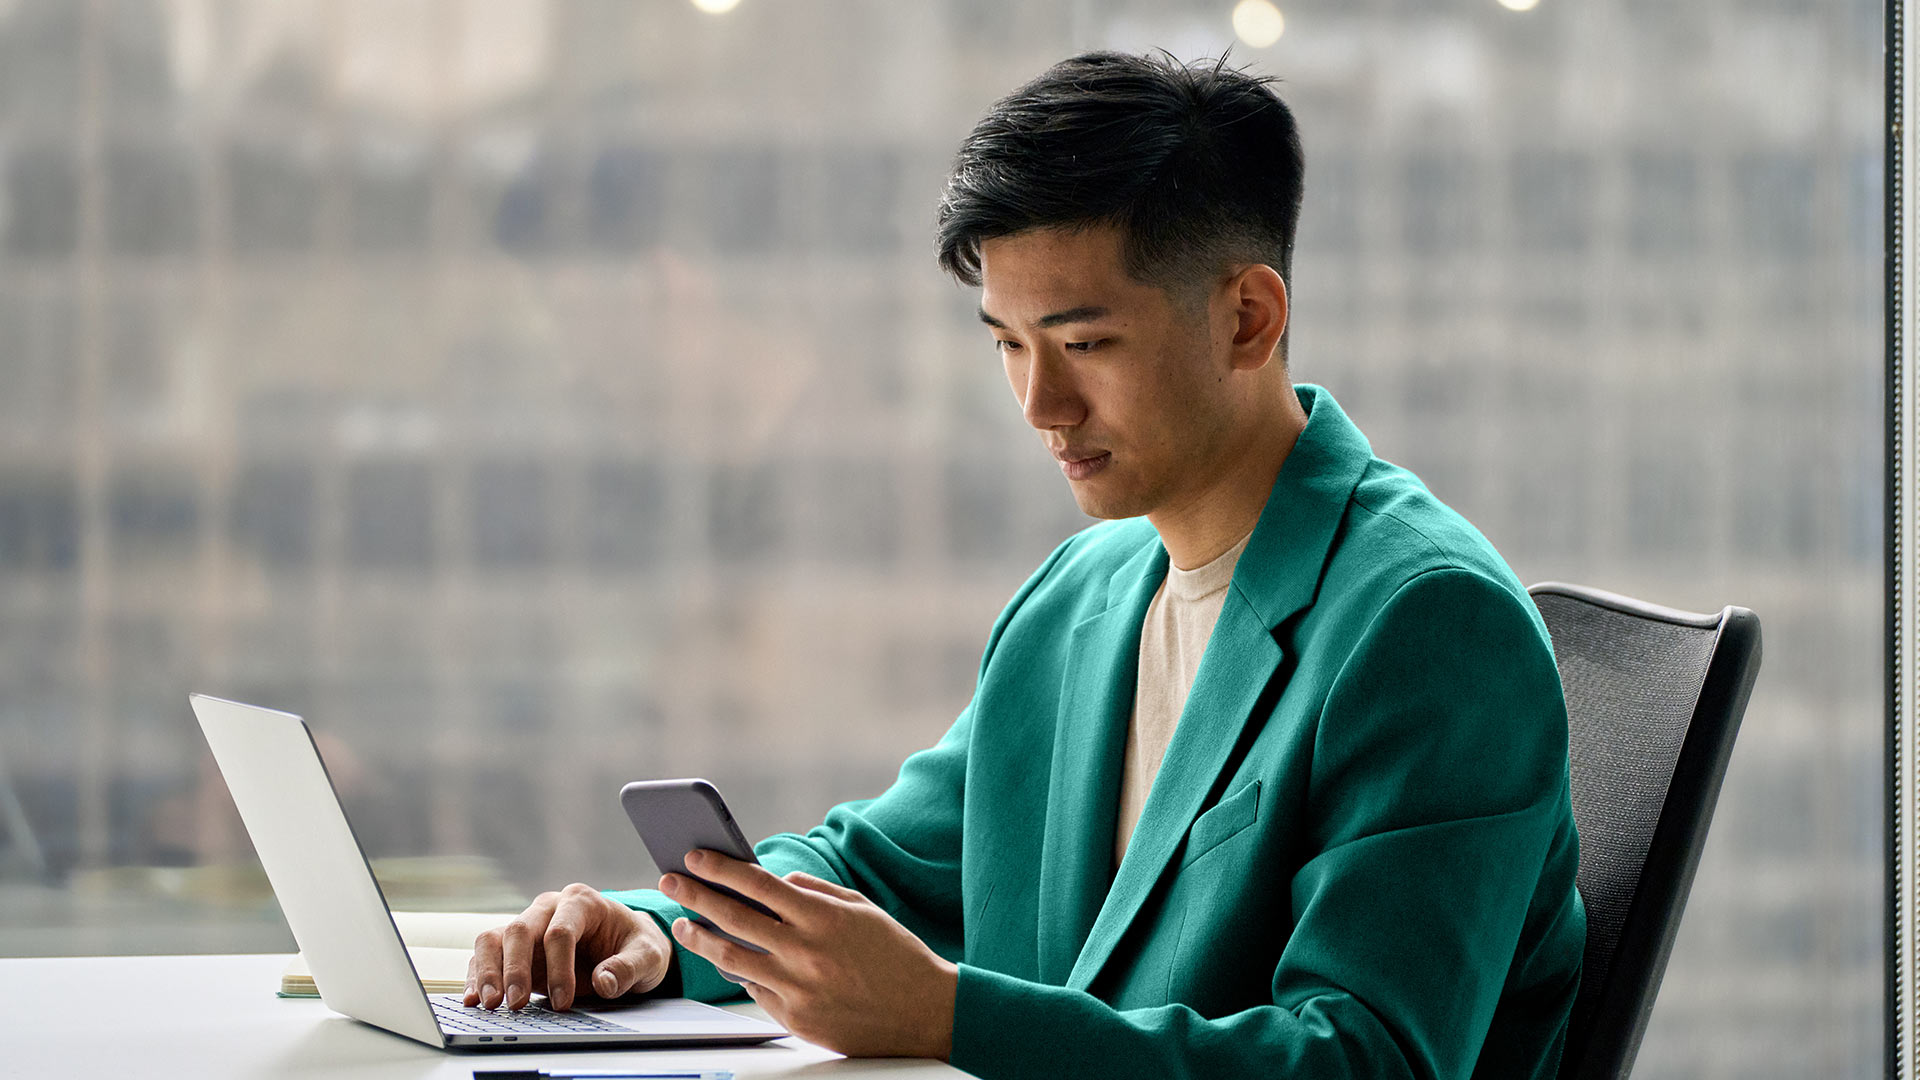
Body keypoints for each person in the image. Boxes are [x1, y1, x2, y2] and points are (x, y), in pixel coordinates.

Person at [466, 51, 1585, 1079]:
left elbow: (1364, 1061)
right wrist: (652, 936)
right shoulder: (1082, 595)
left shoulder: (1428, 623)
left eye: (1086, 343)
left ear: (1248, 317)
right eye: (1008, 344)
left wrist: (953, 1018)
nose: (1041, 406)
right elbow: (883, 865)